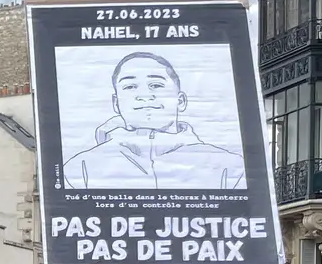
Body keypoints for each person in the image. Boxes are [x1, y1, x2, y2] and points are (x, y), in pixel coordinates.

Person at [61, 51, 246, 191]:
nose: (144, 95)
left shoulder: (231, 168)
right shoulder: (79, 170)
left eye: (156, 85)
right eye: (130, 86)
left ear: (180, 101)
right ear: (116, 103)